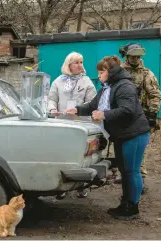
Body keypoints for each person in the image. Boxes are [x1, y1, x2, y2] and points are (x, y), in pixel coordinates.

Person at [66, 55, 150, 220]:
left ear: (110, 72)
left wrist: (104, 114)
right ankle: (125, 203)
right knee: (125, 171)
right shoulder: (107, 87)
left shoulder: (124, 86)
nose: (99, 75)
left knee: (132, 171)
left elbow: (127, 110)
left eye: (101, 72)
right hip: (122, 135)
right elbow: (92, 106)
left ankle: (132, 207)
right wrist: (76, 110)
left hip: (134, 134)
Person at [47, 51, 97, 199]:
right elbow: (51, 99)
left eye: (82, 62)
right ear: (69, 65)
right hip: (62, 124)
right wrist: (52, 109)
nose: (80, 65)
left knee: (80, 156)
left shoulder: (86, 81)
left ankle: (81, 186)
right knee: (61, 155)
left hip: (81, 124)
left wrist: (80, 110)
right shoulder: (58, 81)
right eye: (77, 62)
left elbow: (93, 103)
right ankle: (61, 187)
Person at [117, 43, 161, 193]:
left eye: (138, 57)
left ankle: (140, 178)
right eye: (133, 56)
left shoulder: (146, 74)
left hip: (140, 117)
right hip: (122, 116)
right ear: (127, 56)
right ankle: (124, 175)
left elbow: (155, 95)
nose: (136, 59)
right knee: (121, 147)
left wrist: (152, 114)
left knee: (138, 150)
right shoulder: (119, 72)